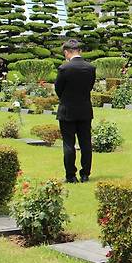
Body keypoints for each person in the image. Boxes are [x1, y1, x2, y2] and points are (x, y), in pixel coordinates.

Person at [54, 39, 96, 183]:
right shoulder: (90, 68)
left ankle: (71, 175)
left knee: (68, 144)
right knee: (85, 143)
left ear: (66, 52)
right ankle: (85, 174)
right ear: (80, 51)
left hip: (67, 110)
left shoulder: (64, 69)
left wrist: (66, 99)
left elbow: (58, 89)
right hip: (84, 110)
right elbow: (89, 87)